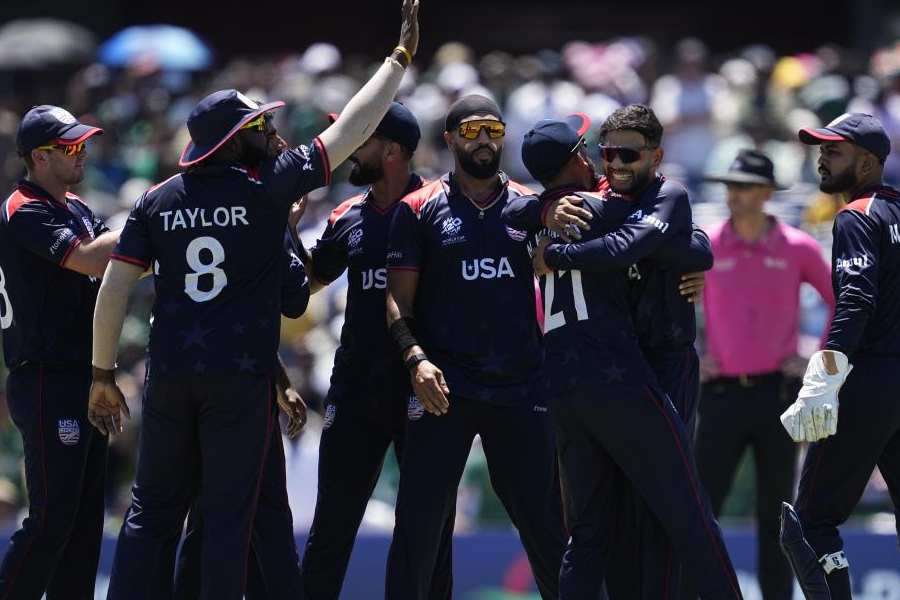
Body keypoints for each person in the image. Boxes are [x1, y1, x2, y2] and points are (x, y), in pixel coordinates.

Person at [87, 3, 421, 598]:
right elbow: (352, 130)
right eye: (261, 127)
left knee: (151, 515)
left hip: (168, 375)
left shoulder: (156, 201)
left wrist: (102, 373)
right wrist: (397, 61)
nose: (272, 133)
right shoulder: (271, 186)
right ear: (237, 141)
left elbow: (114, 288)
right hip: (237, 382)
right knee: (225, 516)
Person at [502, 107, 738, 599]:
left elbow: (509, 210)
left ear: (655, 153)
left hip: (565, 385)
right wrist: (686, 245)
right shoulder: (608, 206)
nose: (607, 161)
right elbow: (679, 242)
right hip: (625, 377)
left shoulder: (541, 214)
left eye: (623, 153)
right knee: (686, 515)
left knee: (589, 534)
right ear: (578, 158)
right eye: (600, 152)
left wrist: (546, 230)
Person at [384, 94, 566, 600]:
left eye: (493, 129)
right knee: (418, 529)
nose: (484, 140)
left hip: (520, 387)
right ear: (449, 139)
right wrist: (414, 359)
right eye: (470, 131)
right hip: (444, 388)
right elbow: (397, 302)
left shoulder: (531, 207)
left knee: (548, 529)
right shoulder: (417, 210)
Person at [293, 102, 453, 599]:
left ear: (391, 150)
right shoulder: (347, 212)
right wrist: (285, 231)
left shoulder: (441, 206)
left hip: (424, 389)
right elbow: (307, 285)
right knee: (331, 528)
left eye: (358, 139)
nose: (347, 151)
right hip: (356, 387)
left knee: (427, 534)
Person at [694, 149, 834, 600]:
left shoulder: (797, 246)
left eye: (745, 187)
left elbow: (844, 300)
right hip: (720, 395)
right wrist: (693, 353)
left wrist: (817, 356)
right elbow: (667, 302)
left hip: (780, 394)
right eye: (731, 186)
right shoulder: (707, 245)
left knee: (779, 518)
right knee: (699, 511)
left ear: (768, 193)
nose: (735, 195)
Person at [0, 105, 117, 600]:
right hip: (46, 377)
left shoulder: (76, 206)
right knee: (53, 519)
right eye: (70, 146)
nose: (82, 152)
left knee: (84, 523)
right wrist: (155, 217)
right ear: (40, 156)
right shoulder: (23, 207)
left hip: (81, 376)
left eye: (82, 143)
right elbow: (93, 261)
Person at [779, 113, 898, 600]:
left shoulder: (857, 215)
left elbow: (856, 300)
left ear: (867, 162)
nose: (822, 159)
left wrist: (826, 375)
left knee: (808, 525)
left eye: (835, 151)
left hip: (869, 380)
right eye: (821, 150)